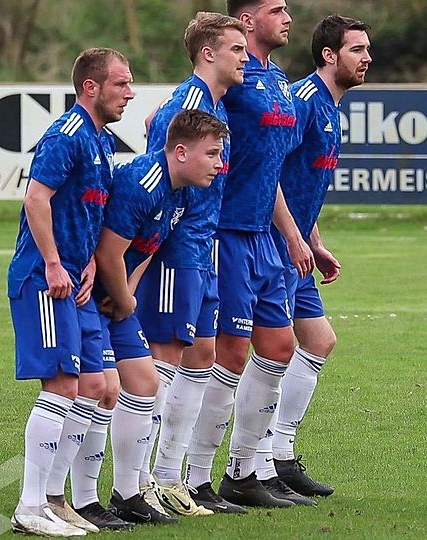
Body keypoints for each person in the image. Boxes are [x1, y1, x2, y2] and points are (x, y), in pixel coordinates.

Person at [183, 0, 314, 509]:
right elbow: (177, 127)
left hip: (265, 234)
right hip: (226, 231)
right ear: (246, 18)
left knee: (280, 346)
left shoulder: (279, 79)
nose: (287, 17)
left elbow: (271, 169)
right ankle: (194, 478)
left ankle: (248, 471)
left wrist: (296, 235)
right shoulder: (229, 77)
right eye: (276, 8)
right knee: (228, 354)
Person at [7, 47, 133, 537]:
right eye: (121, 83)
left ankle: (55, 502)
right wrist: (57, 262)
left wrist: (83, 267)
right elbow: (36, 198)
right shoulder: (68, 134)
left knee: (98, 386)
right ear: (91, 88)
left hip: (72, 280)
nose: (130, 92)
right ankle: (29, 507)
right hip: (43, 279)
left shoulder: (101, 141)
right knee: (60, 386)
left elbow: (87, 212)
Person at [134, 11, 248, 517]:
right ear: (208, 53)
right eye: (236, 49)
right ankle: (139, 484)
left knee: (201, 355)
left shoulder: (213, 105)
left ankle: (171, 478)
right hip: (175, 250)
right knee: (165, 359)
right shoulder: (183, 106)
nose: (246, 58)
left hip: (204, 250)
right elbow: (160, 178)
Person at [91, 109, 229, 525]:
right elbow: (107, 251)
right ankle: (71, 500)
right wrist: (124, 298)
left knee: (144, 382)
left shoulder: (182, 191)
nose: (220, 164)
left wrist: (127, 291)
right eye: (213, 155)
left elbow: (147, 248)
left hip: (114, 295)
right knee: (88, 391)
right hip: (86, 296)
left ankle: (128, 492)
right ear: (181, 152)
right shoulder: (143, 181)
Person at [255, 13, 372, 498]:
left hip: (298, 244)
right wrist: (292, 237)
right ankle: (256, 463)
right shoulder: (302, 102)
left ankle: (281, 454)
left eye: (366, 49)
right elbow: (271, 174)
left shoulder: (330, 106)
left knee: (319, 341)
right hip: (277, 243)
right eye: (357, 50)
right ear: (329, 55)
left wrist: (314, 239)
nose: (367, 58)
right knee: (271, 353)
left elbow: (306, 185)